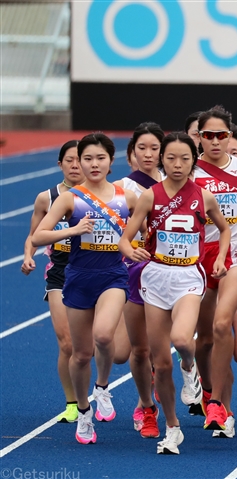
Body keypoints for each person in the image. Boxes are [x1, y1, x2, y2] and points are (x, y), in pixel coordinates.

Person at [120, 132, 231, 454]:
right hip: (155, 277)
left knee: (183, 340)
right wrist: (132, 251)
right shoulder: (149, 196)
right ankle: (172, 427)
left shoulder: (204, 196)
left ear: (193, 161)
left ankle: (190, 368)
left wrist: (222, 257)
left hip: (188, 278)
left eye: (184, 158)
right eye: (171, 158)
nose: (178, 164)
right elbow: (126, 239)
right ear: (161, 160)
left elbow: (224, 229)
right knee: (160, 364)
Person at [32, 133, 139, 444]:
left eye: (100, 158)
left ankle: (102, 387)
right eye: (87, 158)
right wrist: (74, 229)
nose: (94, 164)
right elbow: (38, 236)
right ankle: (83, 411)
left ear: (110, 161)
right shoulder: (70, 199)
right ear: (79, 161)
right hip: (78, 278)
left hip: (113, 277)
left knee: (104, 335)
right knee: (80, 354)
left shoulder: (127, 197)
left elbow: (148, 228)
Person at [191, 106, 237, 433]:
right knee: (205, 340)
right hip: (196, 258)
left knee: (229, 334)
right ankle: (217, 399)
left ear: (230, 136)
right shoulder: (188, 172)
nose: (215, 141)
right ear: (200, 138)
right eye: (208, 136)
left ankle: (217, 403)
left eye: (222, 135)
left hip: (236, 252)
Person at [21, 140, 83, 424]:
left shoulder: (105, 197)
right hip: (60, 272)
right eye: (69, 160)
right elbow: (33, 234)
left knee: (101, 344)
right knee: (67, 343)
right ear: (60, 164)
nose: (75, 165)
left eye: (79, 160)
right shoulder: (46, 198)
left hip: (96, 271)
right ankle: (72, 403)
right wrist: (27, 256)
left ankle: (102, 389)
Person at [114, 122, 167, 438]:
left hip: (168, 272)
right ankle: (148, 387)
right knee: (125, 351)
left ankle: (144, 405)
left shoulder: (174, 182)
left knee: (157, 344)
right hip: (130, 269)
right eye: (142, 148)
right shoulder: (122, 188)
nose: (148, 154)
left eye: (154, 148)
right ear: (131, 152)